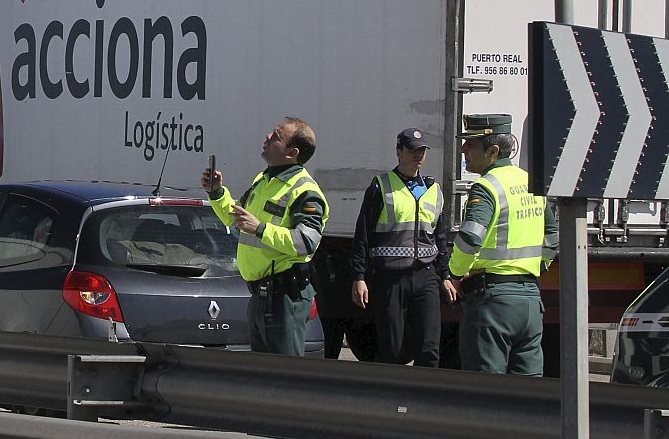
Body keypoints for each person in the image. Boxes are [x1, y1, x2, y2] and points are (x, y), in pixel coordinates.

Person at [201, 118, 328, 355]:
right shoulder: (264, 180)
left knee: (284, 375)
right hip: (262, 294)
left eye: (277, 136)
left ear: (292, 152)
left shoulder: (306, 191)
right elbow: (236, 217)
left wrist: (260, 228)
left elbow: (306, 243)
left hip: (285, 296)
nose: (268, 137)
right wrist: (217, 193)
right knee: (263, 374)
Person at [445, 113, 558, 376]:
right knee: (526, 392)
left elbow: (471, 237)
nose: (464, 149)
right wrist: (536, 266)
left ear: (493, 151)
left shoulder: (487, 187)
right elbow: (552, 236)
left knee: (487, 392)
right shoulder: (533, 183)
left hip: (493, 304)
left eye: (471, 144)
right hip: (530, 302)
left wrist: (455, 274)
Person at [350, 127, 451, 366]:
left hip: (426, 276)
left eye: (422, 151)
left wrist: (445, 274)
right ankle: (393, 398)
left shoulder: (433, 190)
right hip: (391, 277)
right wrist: (358, 277)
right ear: (399, 151)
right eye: (413, 150)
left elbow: (440, 236)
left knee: (429, 346)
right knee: (393, 348)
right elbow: (363, 234)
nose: (418, 155)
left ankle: (426, 398)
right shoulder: (381, 186)